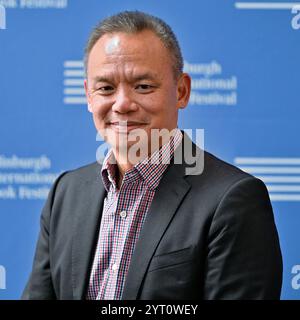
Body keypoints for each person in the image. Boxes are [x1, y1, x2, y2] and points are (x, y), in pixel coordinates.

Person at [22, 10, 282, 300]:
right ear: (88, 96)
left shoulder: (233, 200)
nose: (122, 104)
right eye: (106, 88)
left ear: (181, 91)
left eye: (143, 86)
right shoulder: (64, 194)